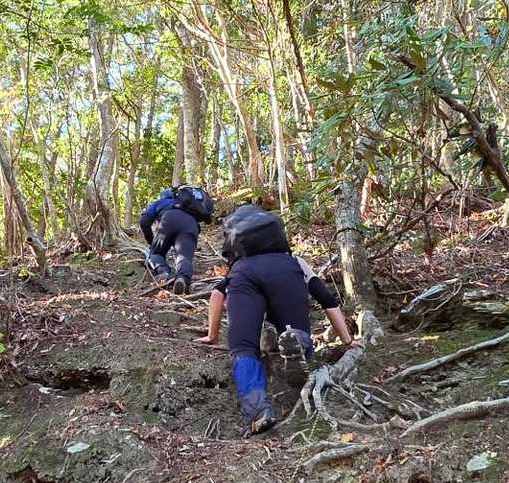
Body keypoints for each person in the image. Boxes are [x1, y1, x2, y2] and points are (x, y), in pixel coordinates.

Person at [196, 204, 355, 434]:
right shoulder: (295, 261)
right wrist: (347, 340)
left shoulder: (239, 266)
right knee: (295, 331)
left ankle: (258, 412)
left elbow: (216, 295)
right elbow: (327, 300)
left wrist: (212, 335)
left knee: (243, 348)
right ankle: (297, 342)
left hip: (245, 278)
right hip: (286, 274)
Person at [138, 185, 214, 292]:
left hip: (169, 219)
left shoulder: (162, 202)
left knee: (156, 253)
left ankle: (164, 273)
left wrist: (152, 243)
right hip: (191, 225)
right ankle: (182, 278)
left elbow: (144, 222)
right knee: (184, 256)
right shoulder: (189, 205)